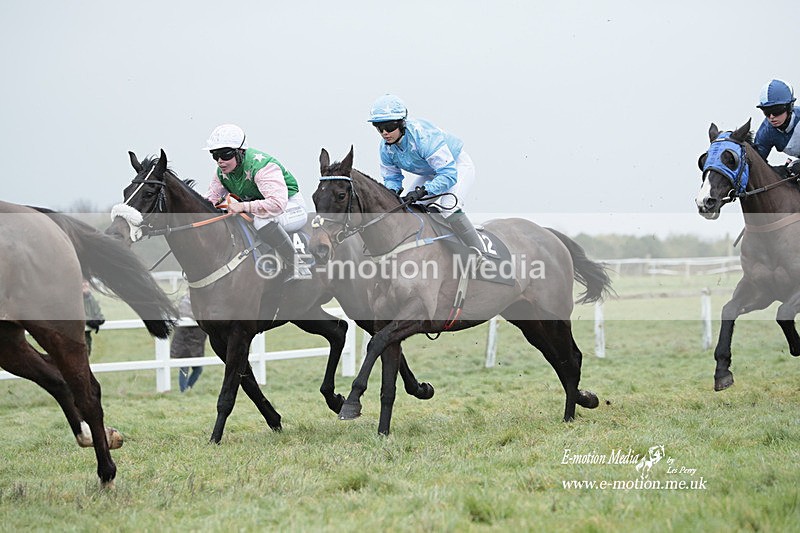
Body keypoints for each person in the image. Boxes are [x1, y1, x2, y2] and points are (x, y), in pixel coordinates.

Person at [367, 94, 488, 265]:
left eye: (389, 126)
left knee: (447, 207)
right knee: (407, 210)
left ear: (402, 123)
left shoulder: (422, 137)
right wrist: (391, 197)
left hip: (456, 167)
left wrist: (423, 191)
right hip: (430, 172)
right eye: (379, 127)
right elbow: (392, 178)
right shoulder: (386, 148)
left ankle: (480, 254)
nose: (384, 133)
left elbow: (448, 174)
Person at [202, 123, 311, 280]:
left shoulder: (262, 167)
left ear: (240, 152)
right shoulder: (221, 172)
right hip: (261, 207)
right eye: (214, 155)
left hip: (290, 208)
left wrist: (242, 206)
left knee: (261, 220)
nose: (220, 161)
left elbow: (277, 205)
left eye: (225, 155)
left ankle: (299, 266)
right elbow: (210, 201)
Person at [753, 79, 800, 176]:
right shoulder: (766, 132)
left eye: (776, 110)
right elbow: (757, 163)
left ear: (789, 107)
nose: (771, 117)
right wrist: (775, 171)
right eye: (766, 112)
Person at [171, 293, 207, 392]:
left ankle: (187, 388)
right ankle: (183, 390)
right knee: (184, 368)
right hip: (185, 340)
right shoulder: (186, 300)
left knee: (198, 369)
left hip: (196, 342)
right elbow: (188, 312)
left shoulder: (203, 301)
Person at [82, 280, 105, 357]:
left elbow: (99, 314)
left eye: (86, 282)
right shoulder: (74, 299)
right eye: (82, 282)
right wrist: (89, 320)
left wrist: (99, 321)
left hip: (86, 337)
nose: (84, 284)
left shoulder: (91, 298)